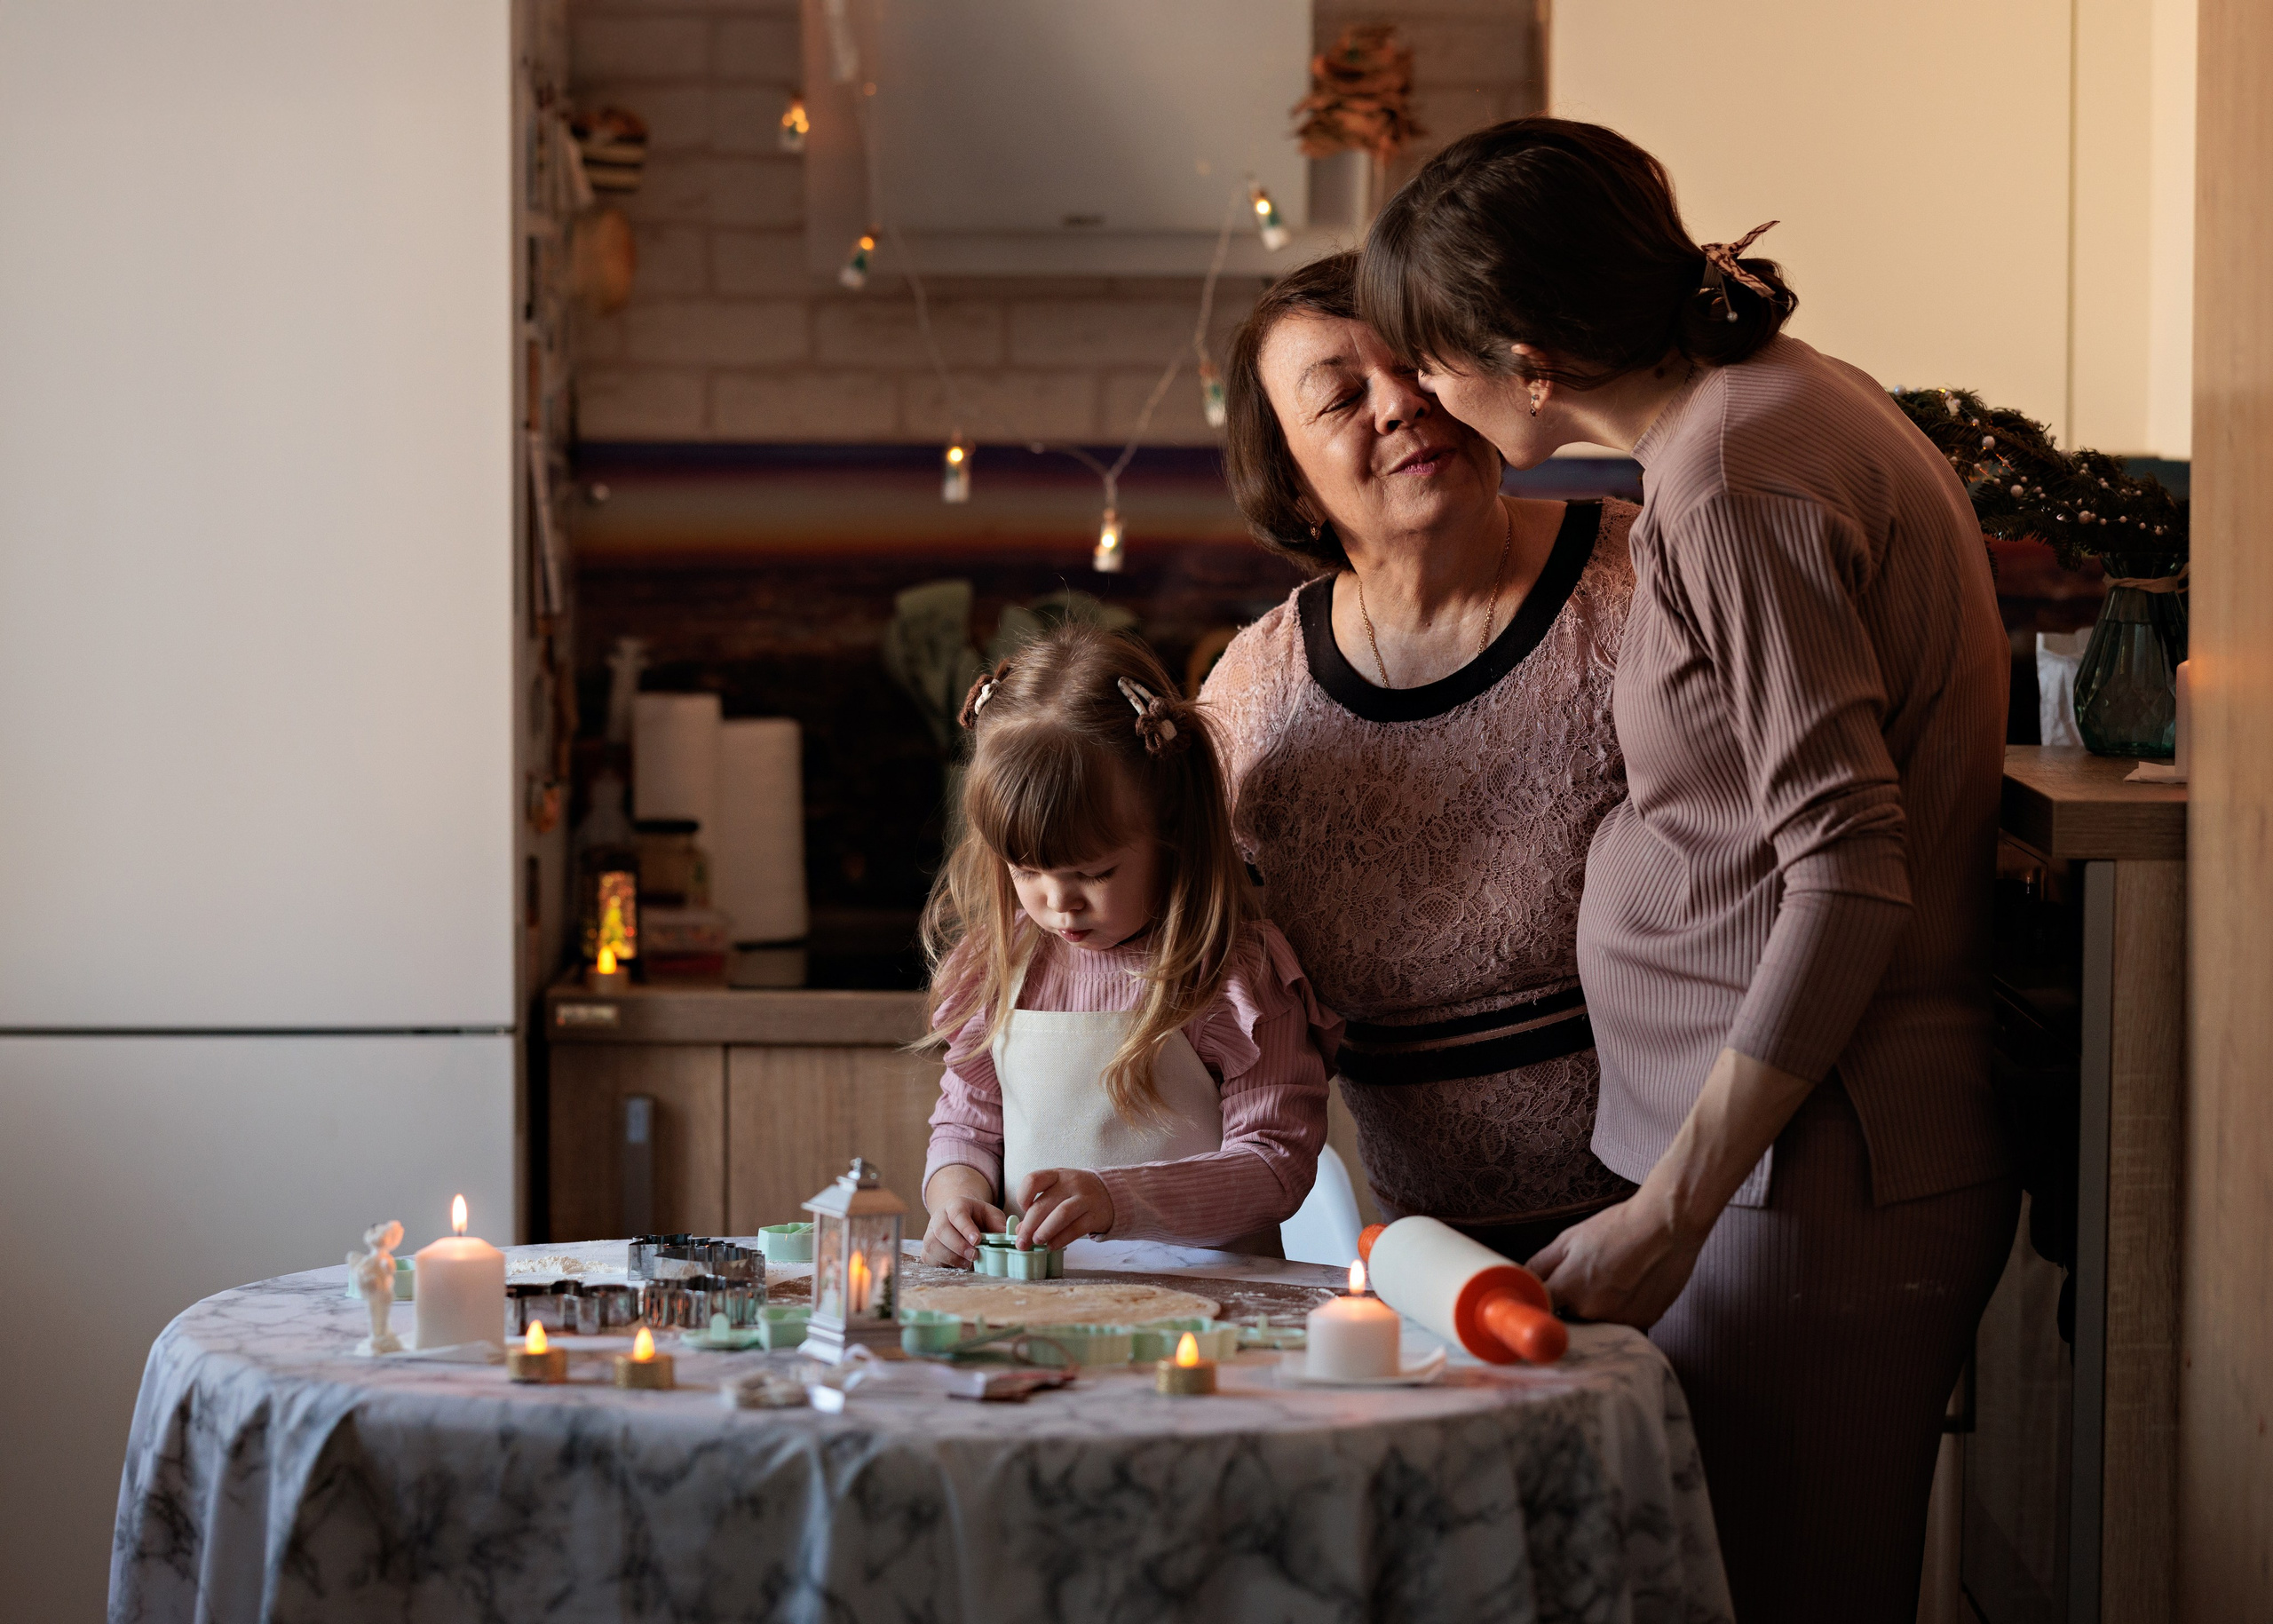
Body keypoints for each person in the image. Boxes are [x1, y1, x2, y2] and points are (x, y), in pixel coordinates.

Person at [1358, 116, 2016, 1620]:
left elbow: (1848, 860)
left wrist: (1677, 1204)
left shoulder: (1733, 474)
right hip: (1778, 1173)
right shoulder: (1758, 410)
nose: (1419, 397)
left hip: (1809, 1175)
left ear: (1526, 359)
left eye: (1431, 362)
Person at [1201, 250, 1639, 1263]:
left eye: (1415, 364)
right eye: (1342, 396)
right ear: (1291, 482)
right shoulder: (1257, 695)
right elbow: (1158, 946)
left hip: (1689, 1221)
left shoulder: (1642, 578)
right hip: (1432, 1256)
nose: (1400, 404)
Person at [917, 621, 1338, 1264]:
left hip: (1209, 1311)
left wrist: (1119, 1200)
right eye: (1027, 870)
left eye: (1094, 871)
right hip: (1039, 1303)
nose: (1059, 902)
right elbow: (967, 1125)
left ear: (1170, 831)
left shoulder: (1233, 974)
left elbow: (1275, 1164)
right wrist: (955, 1194)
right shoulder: (999, 967)